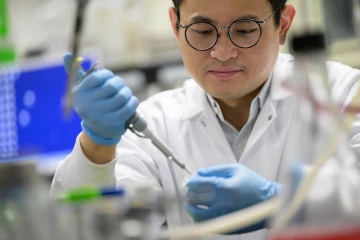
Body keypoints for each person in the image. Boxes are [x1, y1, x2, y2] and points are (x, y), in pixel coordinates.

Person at [50, 0, 360, 239]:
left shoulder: (345, 93)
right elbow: (82, 229)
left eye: (244, 30)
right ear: (175, 26)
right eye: (202, 31)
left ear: (283, 25)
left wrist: (280, 201)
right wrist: (97, 143)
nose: (222, 52)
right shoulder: (150, 125)